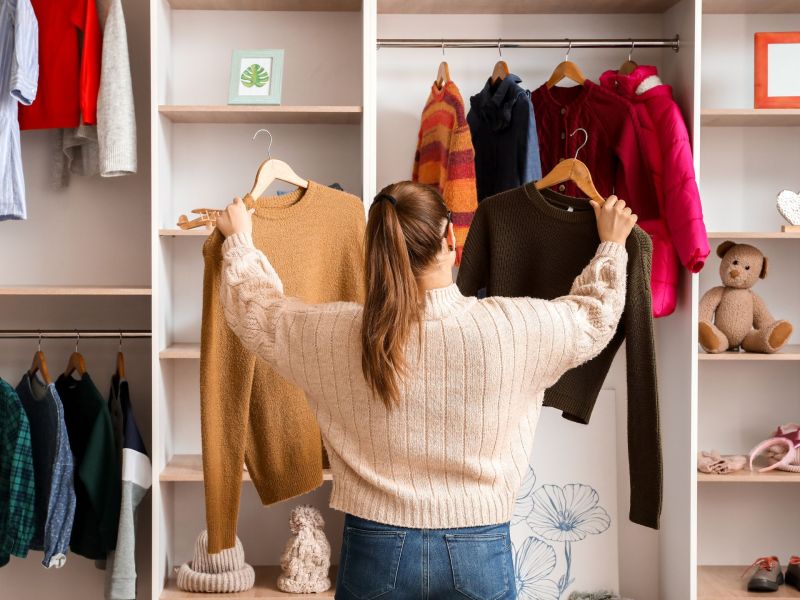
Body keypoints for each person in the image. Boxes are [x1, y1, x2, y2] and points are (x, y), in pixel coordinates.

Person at [215, 181, 637, 600]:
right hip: (479, 549)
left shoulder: (336, 334)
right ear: (450, 237)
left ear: (375, 250)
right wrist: (612, 245)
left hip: (373, 548)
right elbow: (594, 316)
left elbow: (257, 313)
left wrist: (239, 243)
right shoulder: (512, 329)